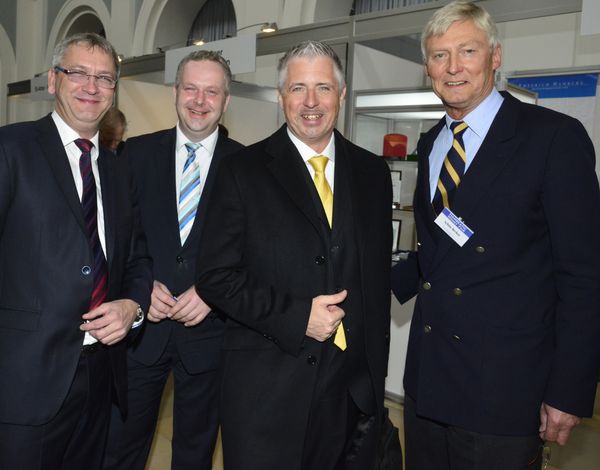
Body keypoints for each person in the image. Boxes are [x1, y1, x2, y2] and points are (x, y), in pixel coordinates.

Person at [391, 1, 600, 469]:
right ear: (427, 67)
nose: (453, 67)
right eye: (440, 55)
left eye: (467, 50)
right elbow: (438, 250)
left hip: (503, 389)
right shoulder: (430, 144)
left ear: (495, 56)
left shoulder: (553, 138)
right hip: (428, 381)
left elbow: (583, 276)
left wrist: (568, 389)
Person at [195, 40, 392, 470]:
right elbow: (215, 276)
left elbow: (374, 281)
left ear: (341, 95)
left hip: (351, 394)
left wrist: (373, 388)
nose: (310, 102)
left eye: (323, 88)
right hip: (268, 393)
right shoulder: (240, 171)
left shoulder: (373, 173)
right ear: (281, 96)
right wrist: (297, 316)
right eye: (297, 88)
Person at [0, 33, 152, 470]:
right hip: (24, 382)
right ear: (52, 81)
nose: (92, 86)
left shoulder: (119, 169)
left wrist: (132, 306)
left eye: (104, 77)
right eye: (78, 73)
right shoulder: (11, 149)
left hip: (101, 377)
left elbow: (138, 258)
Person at [103, 50, 243, 470]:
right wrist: (141, 286)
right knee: (119, 449)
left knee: (195, 454)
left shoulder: (250, 167)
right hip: (142, 332)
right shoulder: (132, 156)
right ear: (175, 92)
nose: (200, 101)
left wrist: (215, 293)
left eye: (211, 91)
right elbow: (114, 239)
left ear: (226, 99)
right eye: (191, 89)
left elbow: (254, 251)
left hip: (210, 338)